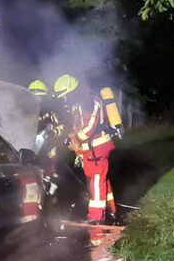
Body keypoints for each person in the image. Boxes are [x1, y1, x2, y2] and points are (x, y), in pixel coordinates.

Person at [53, 74, 117, 226]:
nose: (64, 100)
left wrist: (77, 139)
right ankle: (110, 209)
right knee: (101, 179)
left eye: (64, 96)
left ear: (70, 91)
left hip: (97, 147)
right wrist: (72, 136)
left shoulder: (88, 101)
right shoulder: (79, 102)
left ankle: (96, 216)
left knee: (96, 180)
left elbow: (90, 125)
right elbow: (79, 124)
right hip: (92, 147)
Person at [27, 80, 69, 194]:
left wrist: (52, 132)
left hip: (49, 145)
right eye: (34, 97)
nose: (37, 101)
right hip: (30, 144)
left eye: (40, 98)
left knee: (51, 167)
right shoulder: (26, 111)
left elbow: (62, 126)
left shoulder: (52, 111)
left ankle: (52, 190)